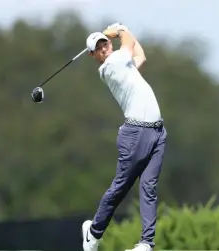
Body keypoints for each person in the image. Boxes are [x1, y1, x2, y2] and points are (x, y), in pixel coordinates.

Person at [81, 23, 167, 251]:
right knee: (120, 187)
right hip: (136, 135)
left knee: (149, 188)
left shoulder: (123, 62)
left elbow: (141, 55)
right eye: (98, 48)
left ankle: (146, 244)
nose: (104, 48)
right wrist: (119, 30)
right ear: (93, 56)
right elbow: (128, 44)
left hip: (158, 132)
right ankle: (94, 232)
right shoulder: (111, 65)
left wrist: (124, 30)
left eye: (105, 43)